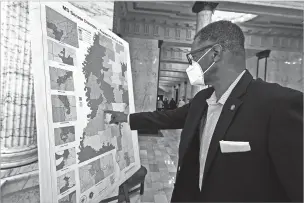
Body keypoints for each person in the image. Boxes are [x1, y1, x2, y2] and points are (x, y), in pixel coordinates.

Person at [109, 20, 303, 202]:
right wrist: (125, 118)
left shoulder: (277, 104)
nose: (191, 65)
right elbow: (166, 118)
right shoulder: (203, 100)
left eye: (193, 57)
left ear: (215, 53)